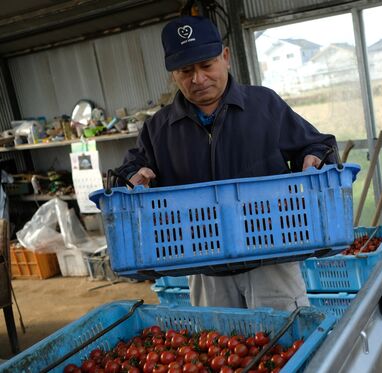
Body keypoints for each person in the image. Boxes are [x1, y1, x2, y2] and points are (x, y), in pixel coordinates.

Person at [117, 16, 337, 311]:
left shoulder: (265, 105)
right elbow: (129, 170)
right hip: (204, 264)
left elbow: (316, 144)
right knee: (219, 348)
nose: (198, 79)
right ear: (172, 74)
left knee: (288, 344)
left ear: (225, 57)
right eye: (185, 70)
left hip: (271, 256)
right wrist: (133, 176)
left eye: (206, 65)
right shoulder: (159, 128)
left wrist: (314, 158)